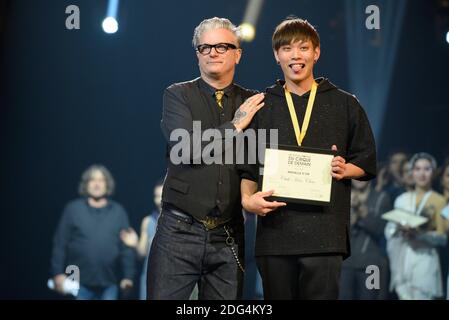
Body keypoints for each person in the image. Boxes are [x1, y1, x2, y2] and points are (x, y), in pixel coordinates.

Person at [240, 17, 377, 299]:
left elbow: (366, 158)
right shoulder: (262, 105)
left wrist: (345, 169)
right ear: (277, 55)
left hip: (325, 234)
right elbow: (247, 166)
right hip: (275, 234)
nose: (295, 56)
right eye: (287, 49)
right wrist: (247, 200)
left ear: (316, 52)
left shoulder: (344, 103)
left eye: (303, 48)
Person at [147, 17, 264, 300]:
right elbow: (185, 148)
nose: (212, 52)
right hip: (179, 231)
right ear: (197, 54)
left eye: (222, 46)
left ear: (238, 53)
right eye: (205, 47)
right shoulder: (177, 95)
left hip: (229, 236)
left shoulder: (253, 103)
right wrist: (236, 125)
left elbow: (256, 161)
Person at [50, 165, 135, 300]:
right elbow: (60, 243)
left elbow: (126, 248)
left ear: (108, 185)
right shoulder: (72, 209)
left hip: (109, 283)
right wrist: (57, 273)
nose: (97, 184)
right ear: (86, 184)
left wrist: (128, 277)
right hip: (77, 283)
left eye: (101, 180)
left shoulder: (118, 212)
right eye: (92, 180)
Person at [385, 152, 447, 299]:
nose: (422, 174)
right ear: (412, 172)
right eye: (418, 169)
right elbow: (389, 229)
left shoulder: (439, 201)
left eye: (427, 169)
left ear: (433, 172)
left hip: (425, 259)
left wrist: (420, 234)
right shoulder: (401, 199)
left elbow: (442, 238)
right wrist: (398, 229)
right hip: (402, 259)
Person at [339, 180, 391, 300]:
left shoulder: (381, 197)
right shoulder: (343, 196)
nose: (359, 178)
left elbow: (380, 229)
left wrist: (362, 210)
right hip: (346, 263)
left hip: (372, 265)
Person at [120, 179, 163, 300]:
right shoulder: (147, 221)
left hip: (171, 278)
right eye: (156, 196)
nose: (159, 201)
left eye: (162, 196)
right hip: (149, 279)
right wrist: (135, 244)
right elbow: (142, 254)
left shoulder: (180, 222)